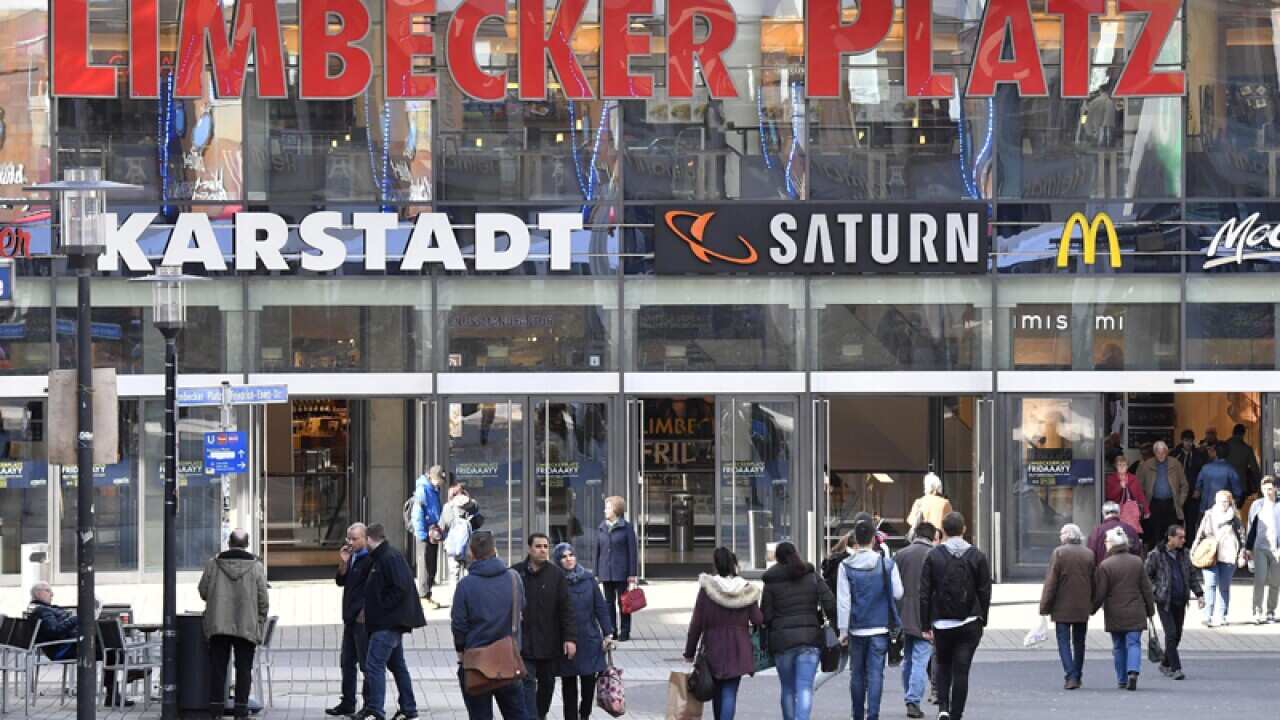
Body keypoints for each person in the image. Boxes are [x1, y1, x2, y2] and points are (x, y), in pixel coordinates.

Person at [919, 512, 991, 720]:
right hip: (969, 621)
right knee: (962, 670)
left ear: (942, 531)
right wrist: (983, 617)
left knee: (942, 665)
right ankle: (956, 713)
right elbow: (984, 591)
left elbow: (924, 592)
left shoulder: (933, 556)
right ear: (964, 529)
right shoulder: (977, 556)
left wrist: (925, 624)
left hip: (942, 622)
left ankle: (943, 707)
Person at [451, 531, 527, 720]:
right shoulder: (513, 578)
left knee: (479, 715)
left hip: (476, 661)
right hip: (508, 659)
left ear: (471, 553)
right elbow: (522, 608)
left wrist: (461, 651)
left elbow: (459, 625)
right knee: (517, 714)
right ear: (495, 550)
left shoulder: (465, 585)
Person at [197, 529, 270, 719]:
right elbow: (263, 599)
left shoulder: (213, 564)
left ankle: (216, 711)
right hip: (246, 625)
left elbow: (203, 591)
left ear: (229, 543)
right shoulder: (256, 567)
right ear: (247, 544)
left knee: (218, 668)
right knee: (244, 668)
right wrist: (259, 620)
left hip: (218, 625)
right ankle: (240, 710)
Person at [683, 548, 763, 720]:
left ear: (716, 565)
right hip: (739, 648)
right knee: (729, 692)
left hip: (714, 647)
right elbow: (757, 619)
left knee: (717, 690)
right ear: (734, 564)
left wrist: (689, 652)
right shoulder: (746, 590)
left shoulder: (707, 589)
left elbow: (696, 623)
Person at [356, 524, 426, 720]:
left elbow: (400, 588)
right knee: (397, 666)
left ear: (369, 539)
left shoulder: (389, 558)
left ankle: (375, 710)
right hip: (388, 622)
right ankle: (408, 708)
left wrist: (381, 608)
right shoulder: (381, 557)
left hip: (387, 624)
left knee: (374, 665)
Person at [837, 519, 904, 720]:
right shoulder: (886, 564)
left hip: (856, 629)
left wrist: (843, 630)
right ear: (874, 539)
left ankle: (857, 714)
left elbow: (843, 601)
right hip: (880, 628)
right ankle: (872, 714)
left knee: (856, 675)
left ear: (856, 539)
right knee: (876, 674)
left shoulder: (845, 566)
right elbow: (899, 593)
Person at [27, 583, 133, 707]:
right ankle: (122, 680)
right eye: (48, 591)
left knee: (109, 644)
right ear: (39, 593)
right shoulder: (42, 610)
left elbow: (60, 627)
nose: (52, 594)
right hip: (64, 649)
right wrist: (77, 618)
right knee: (111, 651)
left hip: (71, 644)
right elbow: (54, 630)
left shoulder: (45, 609)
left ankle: (118, 687)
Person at [762, 541, 835, 720]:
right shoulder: (811, 576)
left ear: (777, 559)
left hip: (782, 642)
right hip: (810, 640)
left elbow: (766, 615)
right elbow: (830, 603)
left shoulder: (771, 582)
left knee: (787, 688)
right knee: (804, 687)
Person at [513, 533, 576, 720]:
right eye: (538, 546)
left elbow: (566, 608)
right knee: (527, 685)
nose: (543, 550)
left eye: (546, 546)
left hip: (550, 643)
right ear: (529, 549)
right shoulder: (515, 573)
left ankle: (540, 715)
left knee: (547, 685)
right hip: (524, 644)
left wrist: (570, 638)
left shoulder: (556, 575)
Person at [552, 542, 613, 720]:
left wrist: (608, 632)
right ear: (558, 560)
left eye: (571, 555)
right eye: (563, 556)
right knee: (569, 684)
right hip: (566, 641)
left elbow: (600, 607)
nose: (568, 559)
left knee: (588, 684)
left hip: (589, 639)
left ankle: (584, 714)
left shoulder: (588, 579)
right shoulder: (555, 581)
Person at [1092, 527, 1155, 691]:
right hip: (1136, 609)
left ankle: (1121, 679)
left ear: (1112, 544)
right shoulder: (1137, 562)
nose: (1105, 544)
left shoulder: (1106, 565)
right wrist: (1150, 610)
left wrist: (1092, 609)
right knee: (1134, 643)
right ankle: (1133, 671)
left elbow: (1101, 592)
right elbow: (1146, 588)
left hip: (1115, 611)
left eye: (1106, 541)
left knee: (1119, 645)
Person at [1039, 523, 1095, 690]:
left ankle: (1070, 675)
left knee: (1063, 641)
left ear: (1068, 535)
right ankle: (1077, 675)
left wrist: (1044, 606)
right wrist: (1093, 603)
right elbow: (1094, 581)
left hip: (1061, 605)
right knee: (1080, 642)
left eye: (1062, 533)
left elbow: (1051, 582)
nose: (1060, 536)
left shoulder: (1059, 553)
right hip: (1082, 605)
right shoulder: (1089, 554)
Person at [1145, 524, 1204, 680]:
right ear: (1170, 538)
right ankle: (1176, 668)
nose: (1183, 540)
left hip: (1180, 600)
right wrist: (1156, 590)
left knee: (1177, 634)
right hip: (1165, 600)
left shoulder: (1184, 554)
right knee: (1171, 634)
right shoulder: (1156, 554)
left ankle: (1165, 663)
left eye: (1184, 537)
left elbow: (1191, 575)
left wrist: (1199, 594)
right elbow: (1146, 576)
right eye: (1180, 537)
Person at [892, 521, 937, 717]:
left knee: (908, 659)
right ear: (932, 536)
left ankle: (909, 695)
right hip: (925, 616)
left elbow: (893, 587)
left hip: (903, 614)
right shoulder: (935, 556)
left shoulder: (900, 555)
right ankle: (913, 700)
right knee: (920, 659)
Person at [329, 523, 372, 717]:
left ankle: (369, 704)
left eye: (355, 539)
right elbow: (340, 581)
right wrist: (344, 561)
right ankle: (347, 702)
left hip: (362, 620)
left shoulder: (370, 559)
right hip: (349, 618)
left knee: (366, 664)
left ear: (365, 538)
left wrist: (364, 611)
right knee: (347, 662)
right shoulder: (352, 556)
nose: (351, 542)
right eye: (349, 538)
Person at [1195, 489, 1246, 627]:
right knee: (1210, 585)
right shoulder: (1209, 515)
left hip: (1228, 556)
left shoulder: (1235, 517)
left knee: (1224, 587)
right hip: (1210, 555)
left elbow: (1242, 537)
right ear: (1215, 501)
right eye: (1219, 501)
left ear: (1230, 502)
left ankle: (1222, 616)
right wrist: (1194, 551)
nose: (1222, 504)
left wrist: (1242, 554)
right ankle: (1207, 616)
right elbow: (1200, 534)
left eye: (1225, 501)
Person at [594, 496, 638, 642]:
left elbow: (632, 552)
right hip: (606, 571)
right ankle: (611, 630)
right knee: (608, 603)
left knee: (623, 602)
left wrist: (632, 574)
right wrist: (596, 573)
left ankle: (625, 631)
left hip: (622, 571)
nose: (604, 510)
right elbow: (597, 552)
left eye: (607, 507)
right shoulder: (601, 527)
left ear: (616, 509)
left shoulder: (627, 527)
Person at [1137, 441, 1188, 550]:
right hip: (1153, 503)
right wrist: (1143, 504)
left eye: (1163, 452)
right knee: (1155, 534)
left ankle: (1172, 557)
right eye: (1158, 452)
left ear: (1167, 452)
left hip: (1171, 503)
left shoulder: (1175, 464)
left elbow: (1184, 485)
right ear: (1154, 453)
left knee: (1172, 533)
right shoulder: (1146, 465)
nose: (1161, 455)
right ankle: (1157, 559)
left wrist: (1180, 501)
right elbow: (1138, 487)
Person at [411, 465, 447, 608]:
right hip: (425, 533)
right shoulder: (423, 489)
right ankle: (423, 596)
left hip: (432, 532)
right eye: (439, 480)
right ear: (432, 477)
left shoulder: (433, 489)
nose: (441, 483)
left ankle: (427, 595)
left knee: (431, 564)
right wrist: (422, 534)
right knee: (425, 565)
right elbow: (417, 514)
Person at [1245, 476, 1280, 623]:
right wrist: (1247, 548)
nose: (1267, 492)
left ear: (1276, 489)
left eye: (1270, 489)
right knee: (1259, 580)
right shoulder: (1257, 505)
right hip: (1260, 547)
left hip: (1276, 549)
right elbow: (1251, 527)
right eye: (1265, 489)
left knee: (1275, 581)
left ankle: (1270, 611)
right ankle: (1257, 611)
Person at [1173, 430, 1207, 535]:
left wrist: (1199, 489)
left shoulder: (1198, 455)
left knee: (1191, 520)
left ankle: (1190, 545)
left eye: (1190, 441)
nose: (1188, 443)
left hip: (1193, 492)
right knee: (1177, 519)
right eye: (1186, 440)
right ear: (1182, 440)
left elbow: (1203, 474)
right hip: (1178, 492)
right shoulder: (1175, 454)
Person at [1104, 450, 1147, 529]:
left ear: (1127, 466)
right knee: (1118, 531)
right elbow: (1109, 495)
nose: (1122, 467)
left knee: (1131, 531)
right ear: (1115, 466)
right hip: (1116, 510)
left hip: (1131, 510)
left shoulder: (1133, 478)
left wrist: (1146, 510)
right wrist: (1120, 487)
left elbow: (1140, 494)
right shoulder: (1110, 479)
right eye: (1119, 465)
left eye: (1124, 465)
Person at [1197, 443, 1244, 512]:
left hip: (1206, 508)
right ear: (1228, 453)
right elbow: (1238, 492)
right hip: (1224, 509)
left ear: (1215, 452)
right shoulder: (1231, 469)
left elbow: (1197, 488)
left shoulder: (1205, 468)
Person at [1225, 423, 1261, 499]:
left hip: (1225, 484)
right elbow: (1255, 469)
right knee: (1240, 509)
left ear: (1233, 432)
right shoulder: (1247, 449)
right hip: (1241, 485)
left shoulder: (1224, 446)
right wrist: (1259, 486)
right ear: (1243, 434)